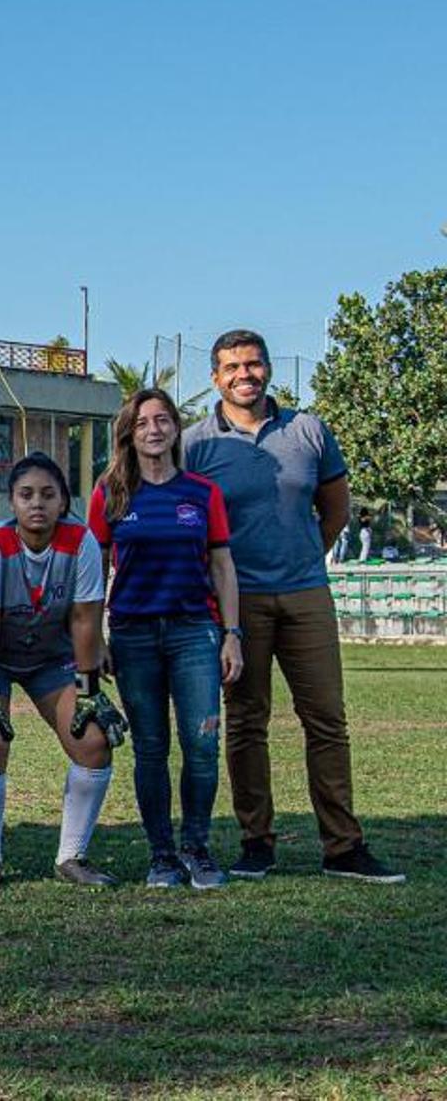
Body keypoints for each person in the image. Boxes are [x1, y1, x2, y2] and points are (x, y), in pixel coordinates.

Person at [182, 329, 404, 883]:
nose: (244, 374)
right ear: (215, 377)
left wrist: (304, 557)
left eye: (253, 364)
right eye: (232, 367)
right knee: (246, 723)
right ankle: (257, 843)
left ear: (268, 370)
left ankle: (344, 847)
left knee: (327, 720)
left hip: (306, 593)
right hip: (239, 603)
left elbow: (335, 511)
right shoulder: (195, 444)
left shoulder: (308, 430)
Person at [89, 389, 242, 890]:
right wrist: (97, 640)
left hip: (194, 632)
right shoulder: (108, 491)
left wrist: (231, 635)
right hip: (132, 635)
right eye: (142, 423)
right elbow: (92, 572)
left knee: (202, 745)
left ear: (176, 428)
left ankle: (196, 849)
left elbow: (222, 564)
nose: (153, 429)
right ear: (128, 435)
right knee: (150, 749)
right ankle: (161, 857)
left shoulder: (202, 493)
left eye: (162, 420)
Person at [0, 453, 122, 889]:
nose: (37, 504)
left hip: (51, 657)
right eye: (26, 494)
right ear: (10, 501)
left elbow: (87, 617)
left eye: (48, 494)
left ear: (64, 500)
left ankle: (72, 856)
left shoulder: (81, 541)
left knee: (93, 740)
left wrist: (88, 692)